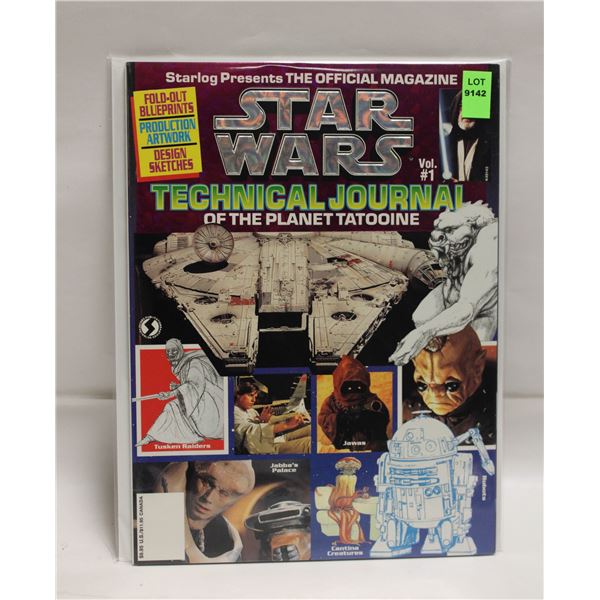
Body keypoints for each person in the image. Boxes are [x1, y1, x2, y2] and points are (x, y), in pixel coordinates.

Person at [403, 326, 496, 443]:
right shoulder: (408, 410)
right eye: (422, 385)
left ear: (477, 368)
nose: (434, 394)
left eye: (451, 385)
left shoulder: (496, 415)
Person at [155, 460, 255, 563]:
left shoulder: (226, 539)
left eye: (224, 493)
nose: (208, 498)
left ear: (233, 503)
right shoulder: (157, 515)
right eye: (207, 482)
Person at [138, 338, 223, 445]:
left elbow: (194, 384)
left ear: (180, 350)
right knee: (172, 407)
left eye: (174, 350)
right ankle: (150, 437)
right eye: (168, 351)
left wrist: (171, 393)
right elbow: (189, 385)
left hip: (208, 405)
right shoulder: (180, 365)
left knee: (171, 406)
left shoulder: (194, 362)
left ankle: (151, 437)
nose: (170, 354)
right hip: (194, 400)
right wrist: (178, 387)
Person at [318, 355, 389, 452]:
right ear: (338, 382)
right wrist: (340, 419)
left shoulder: (371, 399)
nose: (353, 391)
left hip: (370, 448)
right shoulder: (331, 401)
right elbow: (323, 419)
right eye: (348, 387)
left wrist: (370, 418)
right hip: (343, 448)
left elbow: (383, 417)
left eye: (358, 386)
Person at [233, 381, 311, 454]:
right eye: (250, 395)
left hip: (271, 440)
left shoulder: (251, 411)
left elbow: (261, 425)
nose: (254, 400)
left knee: (312, 429)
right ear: (238, 395)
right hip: (262, 448)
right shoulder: (233, 412)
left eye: (255, 397)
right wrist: (286, 425)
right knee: (310, 444)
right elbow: (249, 433)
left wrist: (264, 421)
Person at [443, 91, 491, 182]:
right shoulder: (444, 145)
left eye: (472, 107)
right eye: (461, 106)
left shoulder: (490, 144)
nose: (467, 113)